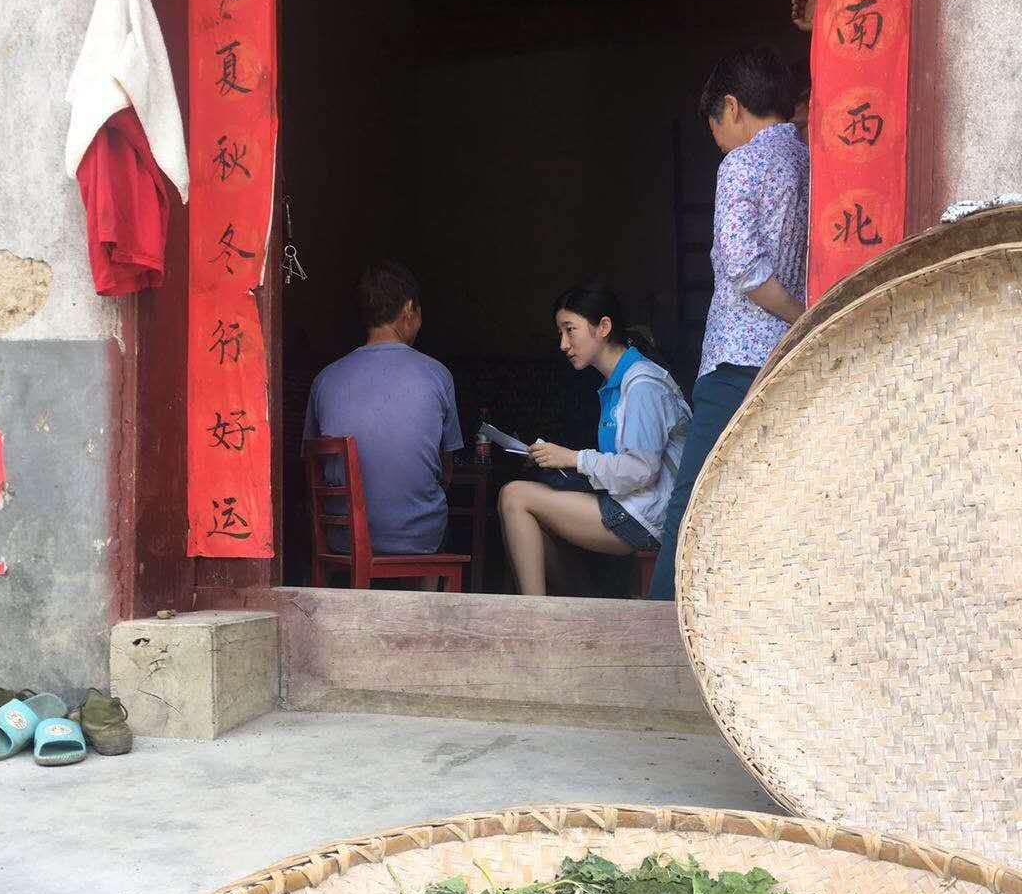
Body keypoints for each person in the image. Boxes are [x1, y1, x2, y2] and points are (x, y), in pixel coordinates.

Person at [648, 45, 810, 601]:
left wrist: (799, 315)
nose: (717, 139)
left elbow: (744, 267)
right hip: (789, 361)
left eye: (715, 125)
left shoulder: (742, 163)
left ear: (733, 107)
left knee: (693, 501)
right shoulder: (810, 158)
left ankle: (657, 625)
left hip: (737, 360)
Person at [499, 284, 690, 596]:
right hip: (633, 505)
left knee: (515, 497)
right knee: (532, 514)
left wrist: (573, 458)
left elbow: (641, 470)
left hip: (647, 517)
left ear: (603, 327)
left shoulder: (642, 385)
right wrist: (560, 463)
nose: (563, 344)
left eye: (570, 330)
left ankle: (534, 614)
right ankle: (578, 605)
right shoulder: (619, 381)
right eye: (560, 333)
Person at [303, 260, 463, 555]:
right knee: (443, 525)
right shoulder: (437, 375)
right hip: (420, 538)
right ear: (409, 309)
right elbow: (446, 470)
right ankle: (425, 584)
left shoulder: (325, 379)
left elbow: (311, 467)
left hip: (341, 538)